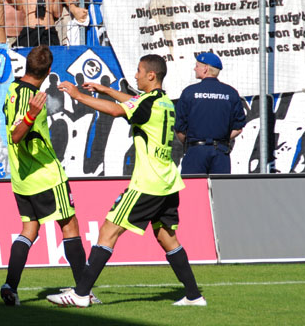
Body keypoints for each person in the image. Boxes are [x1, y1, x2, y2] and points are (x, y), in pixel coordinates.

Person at [47, 55, 205, 308]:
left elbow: (116, 110)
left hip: (147, 184)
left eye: (139, 71)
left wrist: (78, 96)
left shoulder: (147, 103)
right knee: (167, 238)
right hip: (168, 182)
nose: (135, 75)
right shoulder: (163, 101)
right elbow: (133, 102)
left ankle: (81, 294)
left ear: (151, 75)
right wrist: (107, 90)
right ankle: (194, 296)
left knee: (108, 231)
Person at [1, 46, 91, 307]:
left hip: (22, 177)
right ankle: (83, 292)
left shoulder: (13, 88)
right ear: (49, 71)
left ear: (27, 66)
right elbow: (16, 136)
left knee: (29, 229)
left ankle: (10, 286)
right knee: (70, 225)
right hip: (46, 175)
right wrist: (31, 114)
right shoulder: (31, 97)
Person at [175, 53, 245, 175]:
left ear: (205, 69)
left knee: (193, 187)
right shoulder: (231, 93)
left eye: (197, 66)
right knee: (220, 186)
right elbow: (238, 128)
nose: (194, 69)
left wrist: (191, 144)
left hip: (195, 152)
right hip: (220, 153)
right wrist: (221, 141)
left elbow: (179, 128)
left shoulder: (189, 92)